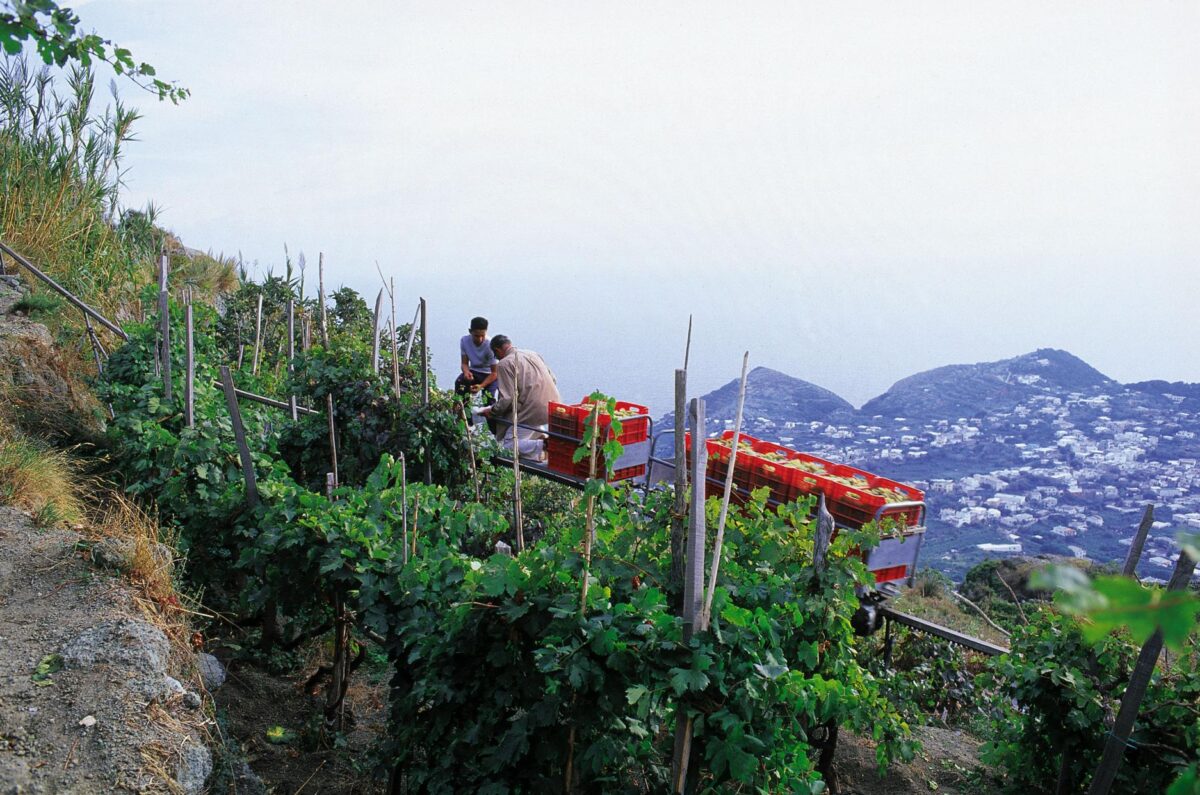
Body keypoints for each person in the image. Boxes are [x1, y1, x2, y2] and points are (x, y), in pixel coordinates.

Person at [479, 334, 561, 461]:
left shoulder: (505, 364)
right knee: (530, 432)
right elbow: (553, 379)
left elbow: (507, 398)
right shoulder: (533, 354)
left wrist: (492, 411)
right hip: (552, 407)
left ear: (497, 350)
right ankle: (543, 445)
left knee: (509, 445)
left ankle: (545, 444)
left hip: (532, 411)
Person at [455, 317, 498, 411]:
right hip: (474, 371)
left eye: (482, 335)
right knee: (459, 384)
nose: (480, 339)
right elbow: (464, 363)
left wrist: (481, 386)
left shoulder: (490, 345)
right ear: (470, 331)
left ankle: (492, 424)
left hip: (489, 375)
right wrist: (466, 372)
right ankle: (463, 417)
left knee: (489, 400)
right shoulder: (464, 341)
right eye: (476, 336)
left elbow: (495, 373)